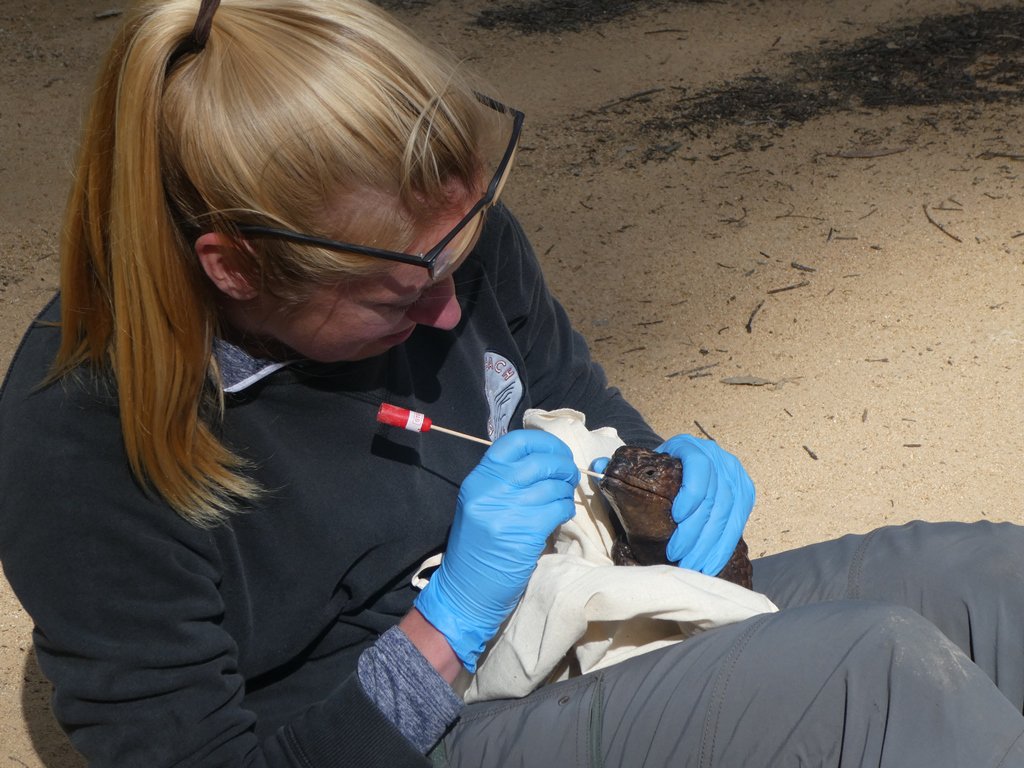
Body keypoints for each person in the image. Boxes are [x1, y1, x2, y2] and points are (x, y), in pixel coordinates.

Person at [1, 0, 1023, 765]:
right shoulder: (84, 432)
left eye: (462, 253)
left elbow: (589, 405)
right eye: (400, 299)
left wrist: (656, 474)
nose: (448, 313)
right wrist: (447, 625)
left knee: (983, 579)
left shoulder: (437, 246)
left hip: (573, 609)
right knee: (875, 675)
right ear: (235, 267)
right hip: (383, 733)